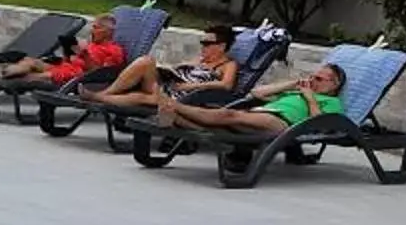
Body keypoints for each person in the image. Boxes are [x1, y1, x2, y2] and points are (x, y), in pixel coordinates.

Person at [152, 61, 345, 139]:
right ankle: (173, 117)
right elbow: (257, 93)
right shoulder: (296, 93)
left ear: (334, 84)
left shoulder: (333, 103)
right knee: (219, 127)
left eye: (318, 79)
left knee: (228, 115)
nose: (312, 81)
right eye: (312, 77)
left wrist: (310, 99)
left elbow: (319, 125)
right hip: (260, 114)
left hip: (282, 123)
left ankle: (174, 106)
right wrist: (293, 84)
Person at [89, 24, 240, 111]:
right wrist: (171, 69)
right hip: (169, 86)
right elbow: (178, 71)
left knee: (143, 97)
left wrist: (190, 86)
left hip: (184, 97)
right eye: (202, 42)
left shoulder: (228, 65)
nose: (203, 46)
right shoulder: (199, 60)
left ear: (221, 46)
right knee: (146, 61)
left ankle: (98, 97)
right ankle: (105, 94)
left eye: (207, 43)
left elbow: (226, 85)